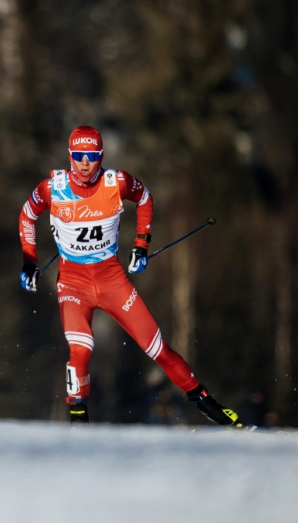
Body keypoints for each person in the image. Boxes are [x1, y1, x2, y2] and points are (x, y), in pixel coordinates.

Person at [17, 125, 245, 426]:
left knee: (158, 348)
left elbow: (146, 198)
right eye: (78, 156)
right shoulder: (52, 188)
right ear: (70, 156)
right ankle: (78, 425)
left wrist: (140, 246)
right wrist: (29, 261)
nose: (85, 163)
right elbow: (27, 215)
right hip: (73, 282)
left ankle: (211, 407)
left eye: (92, 156)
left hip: (112, 279)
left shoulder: (118, 182)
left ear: (101, 156)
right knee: (80, 350)